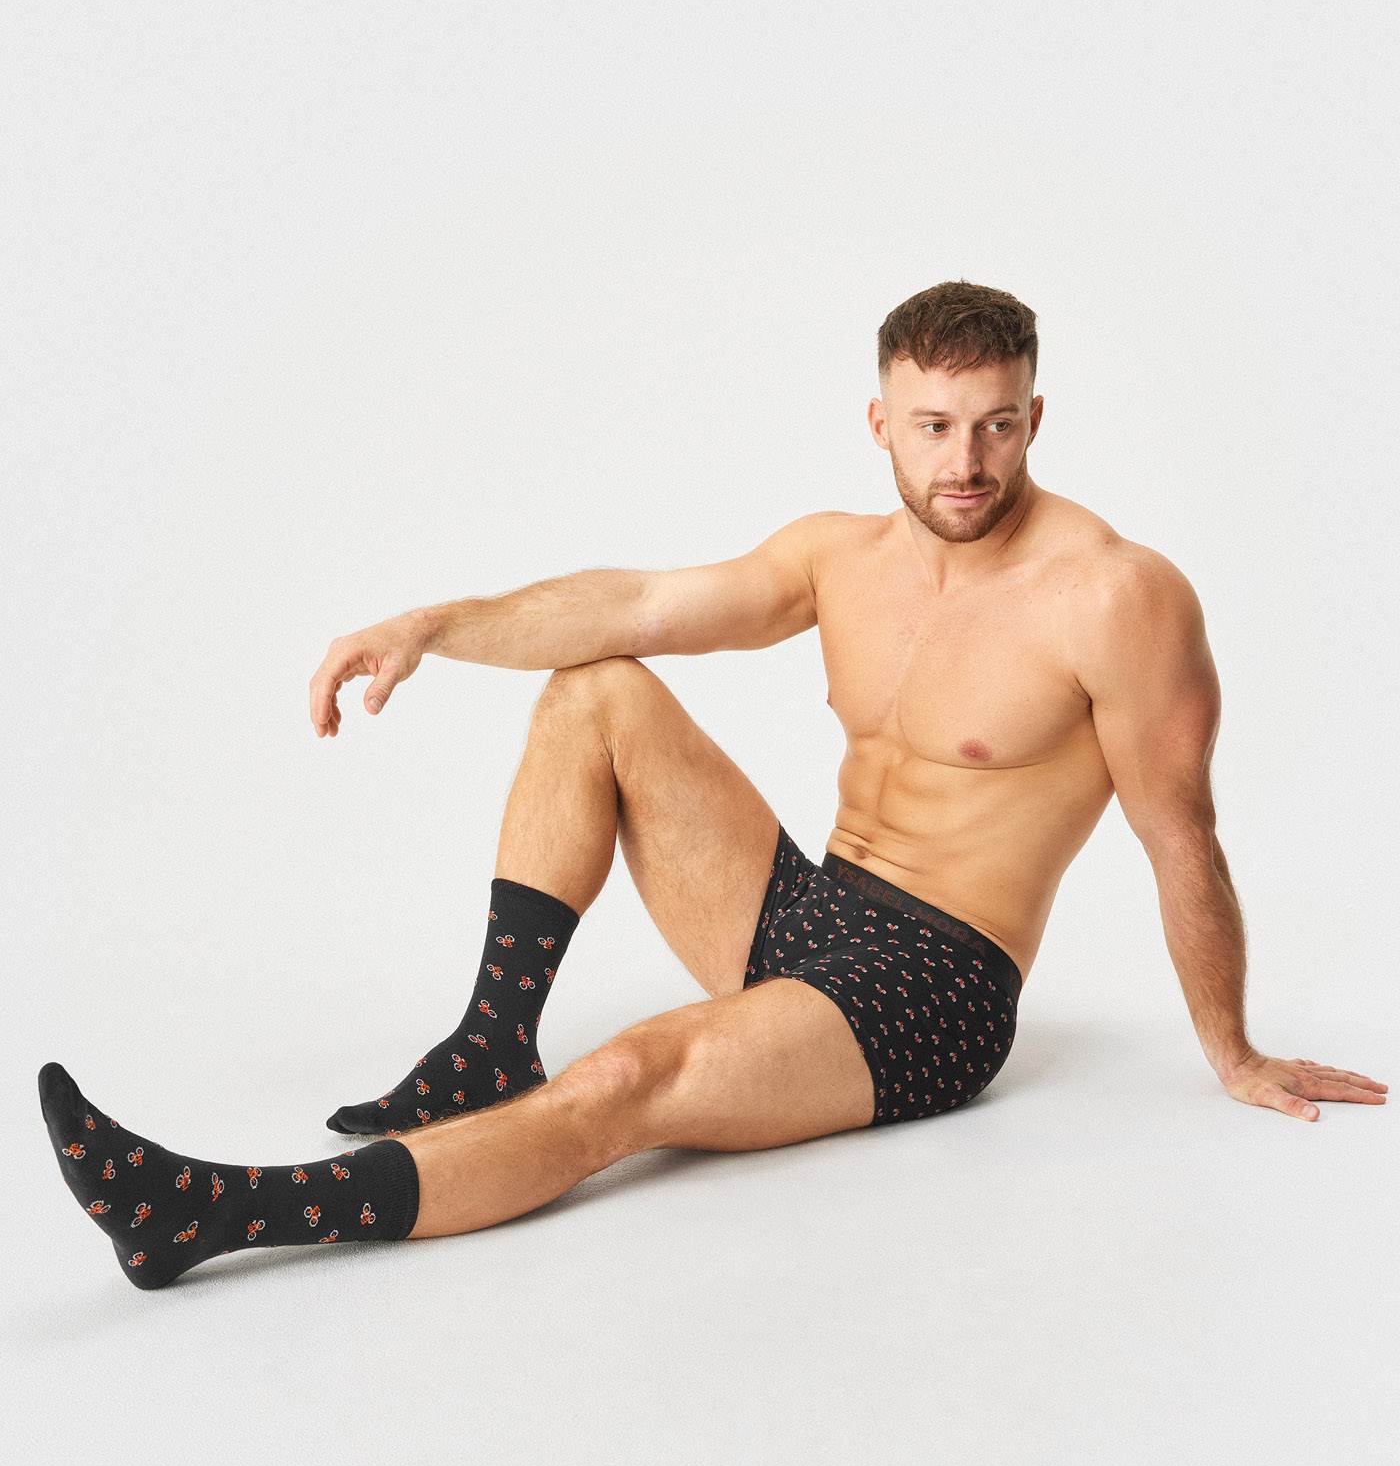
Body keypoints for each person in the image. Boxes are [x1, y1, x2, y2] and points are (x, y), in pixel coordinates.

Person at [40, 280, 1388, 1288]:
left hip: (935, 986)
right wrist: (434, 625)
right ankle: (489, 1045)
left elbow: (1181, 834)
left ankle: (214, 1214)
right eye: (933, 427)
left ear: (1035, 417)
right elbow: (637, 603)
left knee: (630, 1078)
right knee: (599, 688)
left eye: (994, 427)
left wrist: (1234, 1051)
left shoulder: (1114, 596)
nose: (965, 464)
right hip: (811, 915)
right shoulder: (839, 557)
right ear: (881, 422)